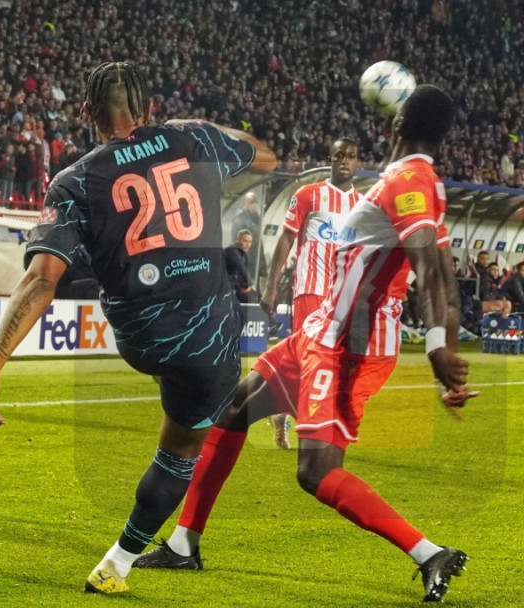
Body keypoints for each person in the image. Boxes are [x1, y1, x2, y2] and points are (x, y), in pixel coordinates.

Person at [135, 85, 475, 604]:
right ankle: (184, 544)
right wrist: (444, 341)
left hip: (349, 348)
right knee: (232, 410)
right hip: (318, 333)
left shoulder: (410, 180)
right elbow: (445, 274)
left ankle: (430, 553)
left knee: (316, 472)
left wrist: (435, 347)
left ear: (397, 122)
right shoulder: (418, 183)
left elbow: (431, 269)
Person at [0, 61, 276, 595]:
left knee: (163, 363)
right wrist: (201, 127)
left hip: (142, 336)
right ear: (150, 107)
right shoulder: (195, 139)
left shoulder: (74, 180)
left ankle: (131, 563)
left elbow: (40, 280)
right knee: (180, 451)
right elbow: (265, 157)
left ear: (87, 112)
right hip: (206, 336)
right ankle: (117, 564)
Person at [260, 136, 361, 449]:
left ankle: (282, 412)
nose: (344, 161)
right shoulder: (308, 195)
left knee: (337, 364)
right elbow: (286, 239)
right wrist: (271, 285)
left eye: (350, 156)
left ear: (357, 162)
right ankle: (311, 428)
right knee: (310, 362)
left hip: (343, 298)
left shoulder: (363, 206)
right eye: (338, 155)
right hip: (311, 291)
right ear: (330, 159)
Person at [224, 229, 258, 303]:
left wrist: (247, 286)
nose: (248, 244)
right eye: (245, 241)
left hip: (233, 285)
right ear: (238, 240)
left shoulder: (243, 253)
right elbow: (241, 267)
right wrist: (250, 284)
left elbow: (244, 270)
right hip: (225, 286)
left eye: (250, 242)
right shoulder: (232, 250)